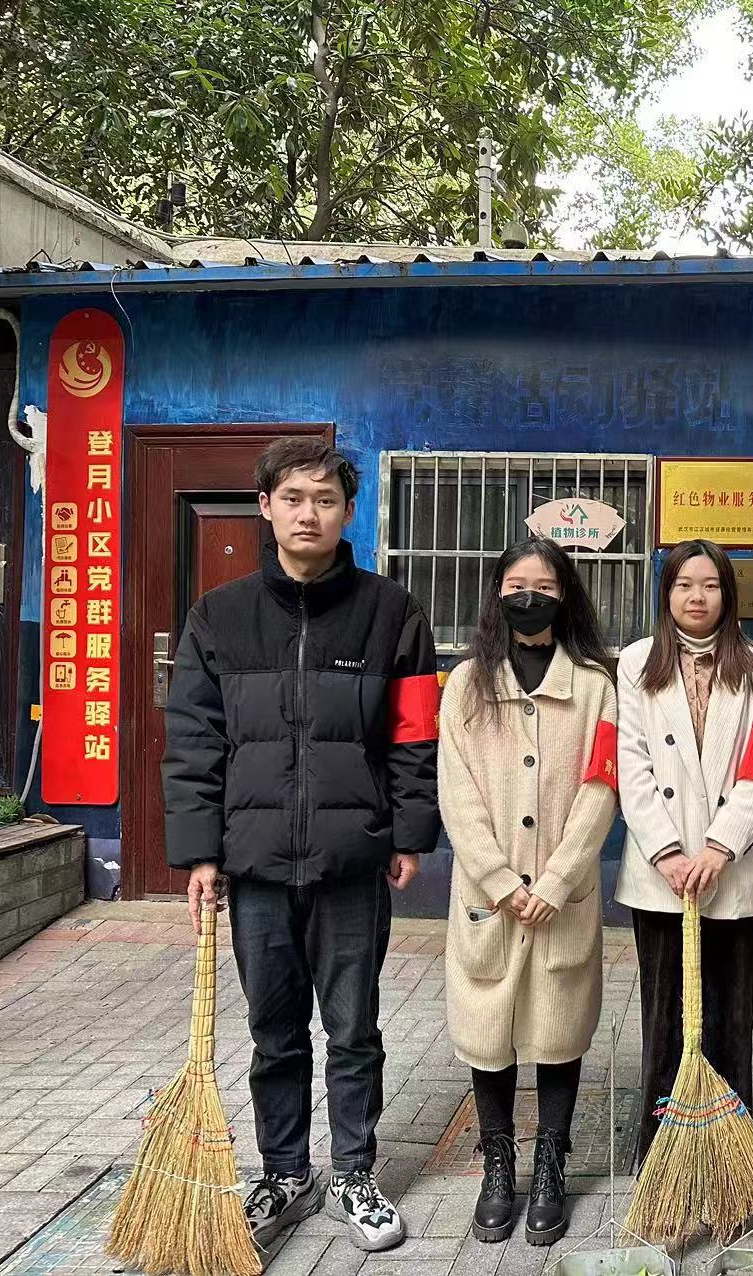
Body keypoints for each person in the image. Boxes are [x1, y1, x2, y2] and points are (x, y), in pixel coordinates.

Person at [163, 437, 439, 1254]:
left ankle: (354, 1171)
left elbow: (414, 737)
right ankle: (285, 1172)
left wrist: (410, 833)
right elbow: (193, 741)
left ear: (349, 511)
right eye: (292, 498)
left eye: (324, 499)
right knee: (273, 1032)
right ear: (265, 507)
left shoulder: (391, 612)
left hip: (352, 860)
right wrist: (201, 852)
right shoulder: (219, 616)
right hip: (253, 865)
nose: (308, 514)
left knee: (353, 1029)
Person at [437, 538, 619, 1247]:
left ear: (564, 594)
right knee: (488, 1032)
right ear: (497, 593)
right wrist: (500, 881)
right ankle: (497, 1165)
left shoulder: (595, 686)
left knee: (559, 1028)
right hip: (488, 897)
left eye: (543, 585)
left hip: (562, 895)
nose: (529, 596)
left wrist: (556, 880)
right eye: (516, 584)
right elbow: (456, 792)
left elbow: (602, 787)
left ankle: (550, 1164)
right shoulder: (466, 684)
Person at [616, 539, 753, 1165]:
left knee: (731, 1016)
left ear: (728, 594)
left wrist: (719, 847)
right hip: (660, 872)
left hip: (735, 867)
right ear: (666, 593)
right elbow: (629, 761)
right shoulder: (636, 662)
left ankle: (730, 1156)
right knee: (665, 1016)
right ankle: (662, 1153)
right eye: (684, 585)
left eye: (711, 585)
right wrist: (667, 853)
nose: (697, 597)